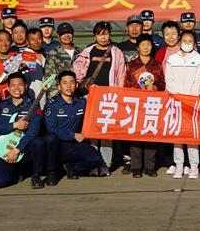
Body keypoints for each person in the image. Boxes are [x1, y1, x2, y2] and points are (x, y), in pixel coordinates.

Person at [72, 21, 126, 167]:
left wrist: (118, 95)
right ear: (95, 36)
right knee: (93, 130)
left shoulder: (116, 52)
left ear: (110, 35)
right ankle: (93, 161)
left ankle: (106, 164)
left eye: (106, 34)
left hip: (109, 97)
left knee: (107, 130)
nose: (103, 37)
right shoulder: (87, 52)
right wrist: (85, 84)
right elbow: (77, 72)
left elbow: (121, 75)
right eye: (99, 34)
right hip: (91, 96)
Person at [0, 72, 51, 189]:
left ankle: (36, 174)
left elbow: (33, 132)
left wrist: (17, 150)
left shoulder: (34, 106)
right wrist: (14, 125)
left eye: (20, 85)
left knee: (38, 142)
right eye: (13, 85)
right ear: (8, 88)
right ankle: (18, 173)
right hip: (6, 148)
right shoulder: (2, 106)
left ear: (26, 86)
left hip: (25, 148)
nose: (17, 88)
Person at [43, 71, 104, 180]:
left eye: (71, 82)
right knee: (50, 138)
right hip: (58, 145)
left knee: (97, 160)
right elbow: (51, 129)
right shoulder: (52, 105)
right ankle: (52, 172)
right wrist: (73, 135)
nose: (68, 86)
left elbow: (94, 115)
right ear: (59, 87)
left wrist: (96, 91)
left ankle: (72, 168)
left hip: (75, 145)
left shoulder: (82, 102)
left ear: (76, 85)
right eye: (65, 83)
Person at [123, 34, 166, 178]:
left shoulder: (157, 65)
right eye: (143, 45)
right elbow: (126, 85)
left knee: (150, 134)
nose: (146, 47)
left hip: (152, 104)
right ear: (138, 48)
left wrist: (155, 87)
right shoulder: (131, 65)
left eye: (148, 44)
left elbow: (163, 84)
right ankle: (136, 167)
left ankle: (149, 167)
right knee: (135, 135)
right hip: (136, 105)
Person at [165, 29, 200, 179]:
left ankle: (194, 166)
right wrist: (177, 96)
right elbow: (169, 80)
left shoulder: (199, 59)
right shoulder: (172, 59)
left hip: (191, 102)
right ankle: (179, 165)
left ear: (194, 43)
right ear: (180, 41)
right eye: (184, 41)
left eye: (190, 41)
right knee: (177, 136)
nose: (187, 44)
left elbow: (197, 80)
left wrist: (190, 98)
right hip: (175, 101)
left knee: (191, 135)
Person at [43, 23, 78, 98]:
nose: (67, 35)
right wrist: (55, 94)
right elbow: (50, 77)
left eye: (69, 33)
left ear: (73, 34)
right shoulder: (53, 54)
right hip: (60, 96)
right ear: (58, 36)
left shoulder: (81, 52)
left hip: (79, 96)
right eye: (63, 34)